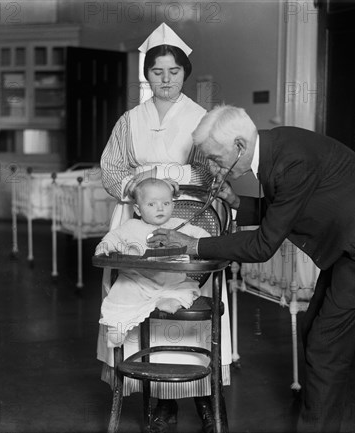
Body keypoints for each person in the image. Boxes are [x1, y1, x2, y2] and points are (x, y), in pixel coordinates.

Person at [148, 105, 355, 432]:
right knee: (314, 333)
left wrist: (193, 244)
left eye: (215, 158)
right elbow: (285, 210)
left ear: (239, 146)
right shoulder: (277, 149)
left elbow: (264, 245)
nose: (211, 166)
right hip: (351, 241)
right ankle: (327, 415)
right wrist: (236, 202)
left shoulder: (291, 161)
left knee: (324, 346)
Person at [97, 24, 232, 433]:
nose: (166, 79)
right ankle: (160, 400)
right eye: (157, 71)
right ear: (147, 74)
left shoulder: (201, 119)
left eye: (174, 71)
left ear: (184, 73)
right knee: (139, 294)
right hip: (137, 218)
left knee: (189, 297)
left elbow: (214, 170)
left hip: (188, 216)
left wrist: (175, 177)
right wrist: (139, 185)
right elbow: (112, 168)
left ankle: (206, 399)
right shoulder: (130, 119)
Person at [96, 178, 210, 347]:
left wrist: (209, 242)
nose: (160, 208)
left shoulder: (179, 225)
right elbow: (113, 238)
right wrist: (104, 247)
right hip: (138, 281)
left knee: (186, 288)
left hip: (171, 281)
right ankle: (117, 325)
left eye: (166, 203)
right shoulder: (131, 226)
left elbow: (203, 237)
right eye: (151, 204)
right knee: (121, 290)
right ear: (138, 209)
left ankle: (167, 301)